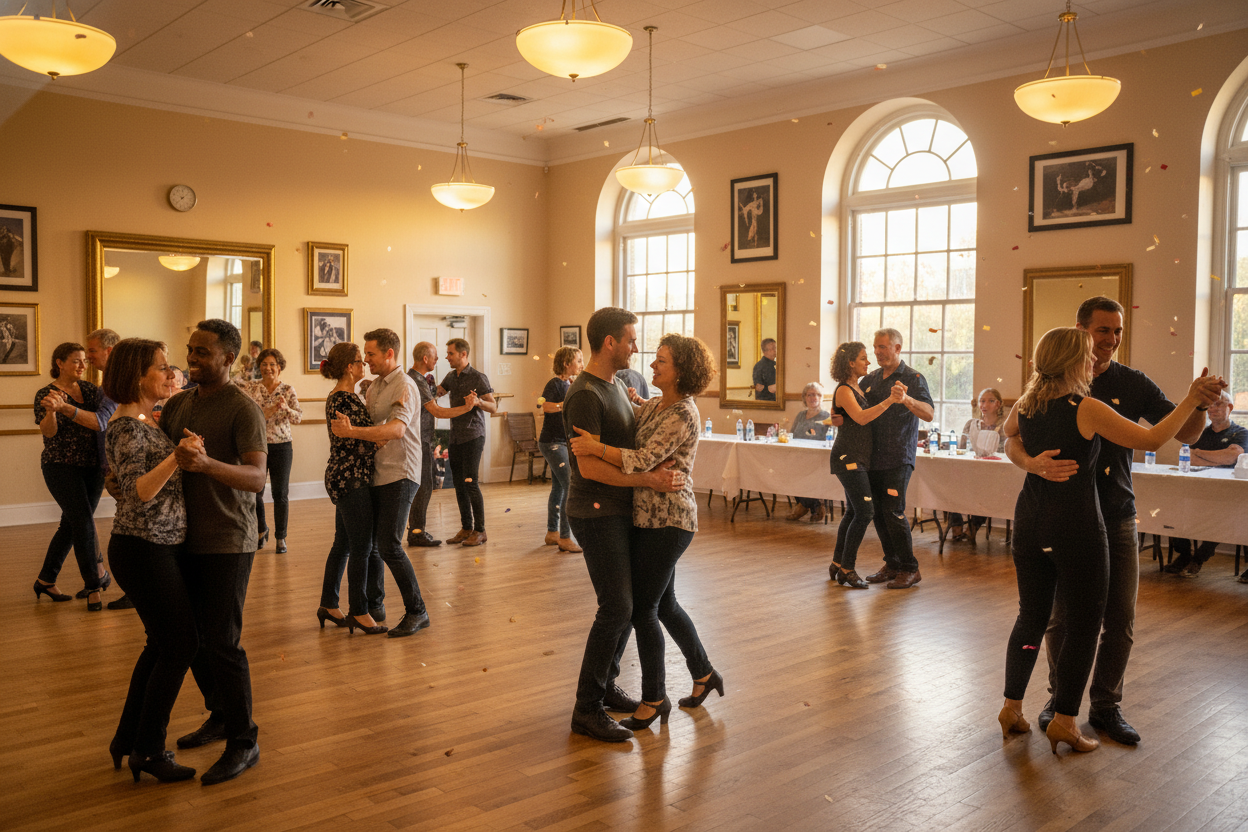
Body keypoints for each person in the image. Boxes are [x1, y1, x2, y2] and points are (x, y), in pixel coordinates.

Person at [1005, 296, 1213, 746]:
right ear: (1081, 333)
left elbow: (1184, 435)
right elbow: (1012, 441)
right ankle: (1061, 705)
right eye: (1103, 332)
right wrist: (1032, 463)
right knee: (1065, 621)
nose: (1111, 342)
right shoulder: (1065, 395)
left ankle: (1096, 707)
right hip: (1073, 521)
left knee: (1111, 619)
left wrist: (1195, 405)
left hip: (1103, 515)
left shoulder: (1124, 383)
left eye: (1118, 332)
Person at [570, 334, 720, 732]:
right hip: (648, 519)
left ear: (681, 372)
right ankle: (704, 674)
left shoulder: (683, 413)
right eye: (654, 358)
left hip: (668, 520)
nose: (652, 366)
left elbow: (642, 459)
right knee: (664, 604)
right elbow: (638, 418)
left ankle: (655, 698)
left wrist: (595, 446)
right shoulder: (657, 404)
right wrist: (627, 401)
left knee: (642, 610)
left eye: (662, 361)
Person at [563, 307, 682, 743]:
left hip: (620, 509)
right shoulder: (584, 395)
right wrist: (649, 478)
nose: (637, 346)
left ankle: (607, 684)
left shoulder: (617, 386)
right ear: (609, 342)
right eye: (631, 339)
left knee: (629, 607)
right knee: (616, 608)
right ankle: (586, 709)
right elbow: (590, 467)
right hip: (595, 510)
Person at [163, 319, 268, 786]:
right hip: (181, 536)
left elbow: (257, 478)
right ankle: (220, 714)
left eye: (203, 352)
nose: (192, 359)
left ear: (229, 358)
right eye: (191, 350)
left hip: (228, 537)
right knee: (194, 639)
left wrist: (206, 464)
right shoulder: (180, 402)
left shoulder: (242, 409)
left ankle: (244, 740)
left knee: (223, 642)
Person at [102, 338, 197, 783]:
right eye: (162, 368)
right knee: (181, 644)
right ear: (138, 375)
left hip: (152, 546)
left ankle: (128, 738)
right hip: (143, 548)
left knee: (160, 644)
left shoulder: (142, 421)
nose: (170, 374)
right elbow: (139, 491)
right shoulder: (125, 426)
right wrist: (177, 458)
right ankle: (148, 748)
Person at [331, 328, 431, 638]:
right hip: (378, 473)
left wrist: (351, 433)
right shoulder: (373, 387)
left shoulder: (406, 385)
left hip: (401, 472)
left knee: (389, 545)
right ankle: (375, 608)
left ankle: (418, 611)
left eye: (371, 354)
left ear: (389, 354)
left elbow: (396, 430)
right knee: (374, 545)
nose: (367, 359)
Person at [32, 341, 110, 610]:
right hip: (59, 466)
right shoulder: (46, 393)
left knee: (72, 525)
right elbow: (49, 432)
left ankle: (45, 579)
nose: (82, 366)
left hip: (92, 467)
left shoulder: (90, 390)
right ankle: (94, 585)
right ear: (60, 363)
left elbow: (102, 421)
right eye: (76, 360)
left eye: (84, 361)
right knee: (84, 521)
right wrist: (52, 410)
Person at [318, 342, 386, 634]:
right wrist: (377, 439)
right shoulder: (343, 398)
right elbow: (353, 440)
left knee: (343, 544)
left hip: (345, 475)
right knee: (362, 547)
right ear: (349, 367)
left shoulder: (345, 396)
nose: (364, 365)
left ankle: (329, 605)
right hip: (351, 477)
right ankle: (359, 611)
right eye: (360, 361)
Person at [826, 342, 905, 589]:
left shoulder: (855, 388)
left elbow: (846, 417)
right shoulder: (844, 390)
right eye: (863, 358)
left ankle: (838, 563)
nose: (868, 362)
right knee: (865, 512)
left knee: (853, 512)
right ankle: (848, 569)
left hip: (857, 458)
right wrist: (889, 402)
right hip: (848, 458)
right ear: (851, 362)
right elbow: (861, 418)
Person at [861, 328, 934, 589]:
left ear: (897, 348)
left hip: (898, 456)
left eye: (883, 347)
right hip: (871, 458)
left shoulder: (913, 377)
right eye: (875, 347)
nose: (878, 352)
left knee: (893, 512)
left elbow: (928, 413)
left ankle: (910, 568)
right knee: (878, 514)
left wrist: (906, 399)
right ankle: (892, 564)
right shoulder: (869, 379)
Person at [1165, 391, 1247, 577]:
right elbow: (1188, 458)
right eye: (1210, 405)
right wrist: (1221, 457)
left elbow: (1233, 457)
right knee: (1172, 507)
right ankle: (1184, 555)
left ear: (1230, 408)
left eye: (1218, 404)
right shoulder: (1199, 433)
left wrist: (1200, 453)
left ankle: (1199, 559)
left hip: (1226, 493)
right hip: (1194, 489)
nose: (1212, 409)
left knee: (1221, 517)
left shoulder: (1241, 433)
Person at [238, 348, 302, 553]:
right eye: (264, 364)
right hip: (257, 446)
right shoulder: (251, 387)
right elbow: (249, 418)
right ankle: (261, 530)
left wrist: (286, 409)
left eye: (273, 364)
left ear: (279, 368)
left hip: (282, 446)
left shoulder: (288, 390)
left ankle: (281, 537)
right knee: (256, 491)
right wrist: (271, 409)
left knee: (280, 494)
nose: (268, 368)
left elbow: (298, 418)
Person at [407, 341, 469, 548]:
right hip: (418, 440)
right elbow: (437, 411)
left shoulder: (418, 379)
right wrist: (465, 407)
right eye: (434, 356)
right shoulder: (416, 380)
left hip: (420, 439)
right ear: (425, 359)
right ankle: (417, 533)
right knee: (424, 486)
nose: (438, 359)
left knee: (424, 485)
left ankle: (416, 531)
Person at [437, 338, 497, 547]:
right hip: (455, 437)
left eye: (450, 353)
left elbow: (493, 407)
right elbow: (438, 392)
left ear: (463, 354)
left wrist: (478, 401)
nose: (447, 357)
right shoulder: (451, 377)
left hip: (473, 436)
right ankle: (466, 527)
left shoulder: (478, 377)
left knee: (471, 483)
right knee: (459, 484)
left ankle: (480, 530)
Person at [539, 347, 584, 552]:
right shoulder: (555, 383)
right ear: (567, 363)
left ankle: (552, 533)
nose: (581, 364)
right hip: (553, 442)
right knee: (570, 485)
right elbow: (546, 407)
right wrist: (565, 403)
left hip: (562, 441)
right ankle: (565, 537)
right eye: (578, 360)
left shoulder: (568, 383)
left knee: (558, 487)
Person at [948, 387, 1007, 543]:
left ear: (998, 404)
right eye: (982, 401)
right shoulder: (971, 424)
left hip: (994, 474)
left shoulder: (1005, 426)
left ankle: (972, 528)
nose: (984, 404)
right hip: (970, 471)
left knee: (987, 493)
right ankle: (956, 526)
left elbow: (1006, 451)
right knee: (949, 486)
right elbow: (961, 447)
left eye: (990, 401)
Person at [786, 382, 832, 522]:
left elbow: (828, 437)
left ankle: (804, 505)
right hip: (799, 455)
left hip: (816, 457)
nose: (814, 398)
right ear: (804, 397)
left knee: (805, 473)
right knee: (788, 471)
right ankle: (815, 505)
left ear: (822, 397)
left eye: (817, 395)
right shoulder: (801, 415)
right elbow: (792, 434)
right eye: (810, 395)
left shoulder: (826, 416)